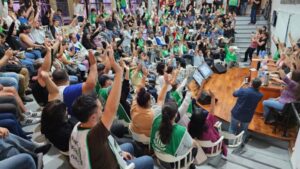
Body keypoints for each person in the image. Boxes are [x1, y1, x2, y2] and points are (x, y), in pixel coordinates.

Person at [69, 47, 153, 169]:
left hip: (103, 158)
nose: (102, 108)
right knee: (148, 160)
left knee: (129, 146)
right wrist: (119, 72)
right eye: (99, 108)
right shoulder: (94, 135)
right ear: (93, 116)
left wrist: (93, 67)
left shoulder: (78, 126)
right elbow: (111, 109)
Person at [189, 90, 228, 156]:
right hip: (213, 149)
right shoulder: (208, 123)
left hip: (201, 148)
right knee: (225, 139)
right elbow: (212, 112)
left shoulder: (189, 125)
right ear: (204, 119)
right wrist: (213, 98)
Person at [229, 78, 263, 142]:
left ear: (251, 84)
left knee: (232, 128)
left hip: (237, 113)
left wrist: (241, 86)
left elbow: (234, 94)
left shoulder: (243, 90)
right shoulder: (260, 95)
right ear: (259, 86)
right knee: (243, 131)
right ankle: (241, 143)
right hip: (247, 116)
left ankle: (230, 142)